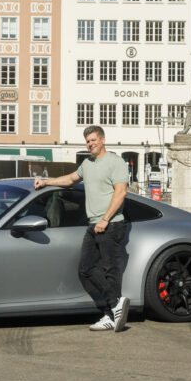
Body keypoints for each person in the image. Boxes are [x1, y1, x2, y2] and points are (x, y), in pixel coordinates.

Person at [34, 125, 130, 332]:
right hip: (94, 224)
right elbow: (70, 179)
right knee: (85, 270)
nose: (90, 144)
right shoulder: (87, 164)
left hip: (111, 223)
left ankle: (111, 310)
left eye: (93, 140)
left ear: (103, 140)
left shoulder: (116, 162)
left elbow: (121, 193)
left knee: (110, 269)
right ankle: (113, 307)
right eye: (87, 141)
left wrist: (105, 219)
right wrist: (46, 182)